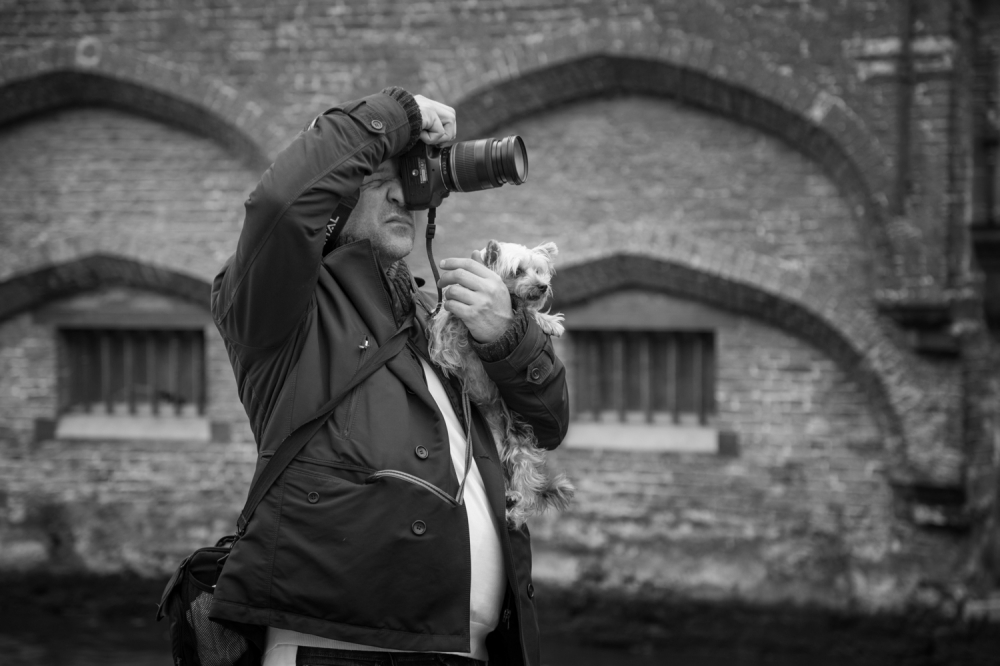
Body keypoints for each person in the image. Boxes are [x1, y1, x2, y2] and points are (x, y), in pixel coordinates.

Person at [208, 86, 570, 666]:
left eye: (410, 182)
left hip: (469, 649)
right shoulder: (283, 309)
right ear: (332, 199)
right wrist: (398, 114)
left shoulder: (434, 319)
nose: (403, 195)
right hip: (337, 650)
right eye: (378, 181)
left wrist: (507, 336)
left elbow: (548, 422)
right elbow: (280, 204)